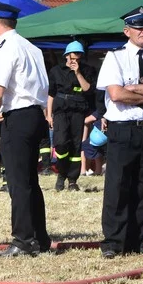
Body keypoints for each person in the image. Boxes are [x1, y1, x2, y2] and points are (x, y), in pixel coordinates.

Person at [95, 6, 143, 258]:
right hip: (124, 130)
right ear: (126, 30)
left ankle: (137, 241)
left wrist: (135, 90)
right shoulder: (115, 57)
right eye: (139, 27)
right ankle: (113, 243)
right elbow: (116, 94)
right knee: (118, 186)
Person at [0, 2, 50, 258]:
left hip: (18, 118)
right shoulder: (31, 47)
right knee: (31, 181)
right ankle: (39, 238)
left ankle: (23, 240)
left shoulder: (5, 49)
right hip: (35, 114)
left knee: (18, 183)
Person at [47, 41, 97, 192]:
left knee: (76, 146)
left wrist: (78, 73)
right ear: (67, 55)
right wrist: (49, 115)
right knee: (61, 143)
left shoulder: (88, 70)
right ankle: (61, 174)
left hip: (78, 111)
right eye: (74, 54)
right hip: (60, 111)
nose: (76, 57)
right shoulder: (56, 71)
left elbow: (87, 89)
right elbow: (51, 94)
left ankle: (72, 180)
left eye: (79, 54)